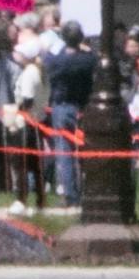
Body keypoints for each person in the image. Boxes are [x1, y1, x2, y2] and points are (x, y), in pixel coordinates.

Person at [42, 22, 95, 206]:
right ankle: (88, 190)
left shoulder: (55, 60)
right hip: (83, 106)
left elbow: (47, 62)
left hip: (62, 106)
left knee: (65, 152)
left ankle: (70, 195)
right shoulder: (89, 59)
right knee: (86, 151)